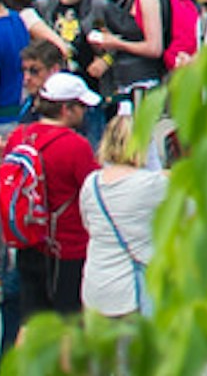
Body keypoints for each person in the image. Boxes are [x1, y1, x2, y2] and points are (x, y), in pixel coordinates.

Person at [0, 71, 100, 334]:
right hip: (68, 248)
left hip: (30, 240)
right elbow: (93, 191)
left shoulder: (19, 136)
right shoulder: (76, 146)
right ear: (66, 109)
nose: (85, 112)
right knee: (68, 327)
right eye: (81, 107)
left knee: (31, 324)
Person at [76, 108, 166, 322]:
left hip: (96, 285)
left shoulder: (92, 183)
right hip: (131, 290)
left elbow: (87, 224)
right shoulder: (153, 185)